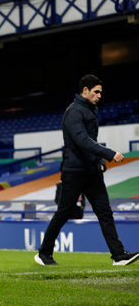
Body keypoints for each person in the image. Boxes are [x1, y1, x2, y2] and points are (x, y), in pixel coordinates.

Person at [35, 75, 138, 267]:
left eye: (100, 92)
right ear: (85, 91)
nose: (99, 95)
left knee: (105, 213)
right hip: (74, 172)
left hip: (92, 172)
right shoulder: (73, 112)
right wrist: (109, 154)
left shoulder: (91, 110)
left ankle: (118, 255)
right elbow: (82, 141)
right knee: (63, 213)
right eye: (96, 91)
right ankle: (44, 253)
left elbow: (91, 141)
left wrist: (99, 161)